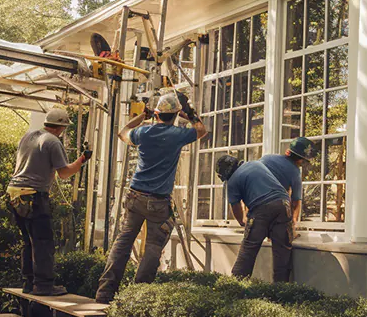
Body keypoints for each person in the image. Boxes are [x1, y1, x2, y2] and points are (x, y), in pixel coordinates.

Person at [95, 92, 207, 304]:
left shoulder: (143, 133)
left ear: (156, 114)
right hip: (158, 202)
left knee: (123, 243)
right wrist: (190, 114)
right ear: (175, 115)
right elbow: (201, 130)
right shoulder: (177, 134)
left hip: (135, 196)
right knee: (153, 248)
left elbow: (123, 133)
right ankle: (136, 298)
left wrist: (143, 116)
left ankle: (104, 293)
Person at [7, 108, 91, 296]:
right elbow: (64, 174)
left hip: (14, 194)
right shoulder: (53, 141)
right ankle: (44, 285)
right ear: (61, 127)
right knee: (43, 242)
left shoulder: (28, 136)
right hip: (33, 196)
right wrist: (83, 159)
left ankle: (29, 283)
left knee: (28, 241)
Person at [221, 137, 312, 282]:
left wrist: (243, 222)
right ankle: (280, 292)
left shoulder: (233, 181)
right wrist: (292, 224)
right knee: (282, 252)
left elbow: (236, 207)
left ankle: (235, 286)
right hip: (283, 204)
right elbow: (294, 201)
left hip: (260, 208)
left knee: (249, 249)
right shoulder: (254, 164)